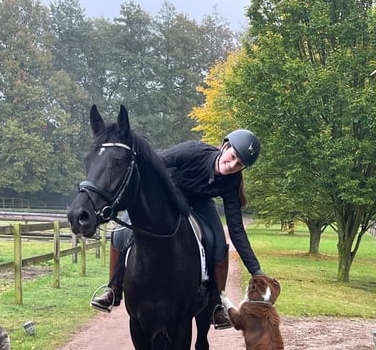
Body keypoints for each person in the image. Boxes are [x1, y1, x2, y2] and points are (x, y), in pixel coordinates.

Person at [90, 129, 266, 329]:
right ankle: (113, 289)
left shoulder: (232, 182)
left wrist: (256, 270)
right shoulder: (193, 151)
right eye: (233, 156)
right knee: (120, 233)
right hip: (166, 195)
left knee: (218, 242)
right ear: (224, 147)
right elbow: (154, 164)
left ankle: (215, 303)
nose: (232, 165)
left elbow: (236, 229)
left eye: (240, 164)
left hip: (199, 204)